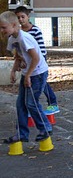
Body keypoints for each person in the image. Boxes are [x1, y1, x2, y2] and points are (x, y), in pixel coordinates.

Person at [0, 11, 53, 145]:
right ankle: (22, 134)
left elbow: (36, 58)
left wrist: (28, 75)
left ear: (13, 25)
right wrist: (13, 70)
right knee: (20, 104)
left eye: (3, 27)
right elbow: (18, 56)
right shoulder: (12, 39)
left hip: (38, 73)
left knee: (31, 103)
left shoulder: (25, 38)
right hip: (28, 73)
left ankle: (45, 128)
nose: (1, 30)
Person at [14, 6, 59, 115]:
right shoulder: (18, 32)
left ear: (28, 17)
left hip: (38, 60)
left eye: (22, 17)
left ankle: (53, 104)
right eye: (18, 17)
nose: (20, 19)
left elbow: (40, 49)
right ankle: (30, 107)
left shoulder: (35, 30)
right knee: (32, 83)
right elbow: (18, 49)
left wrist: (40, 61)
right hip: (27, 61)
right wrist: (19, 61)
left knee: (40, 83)